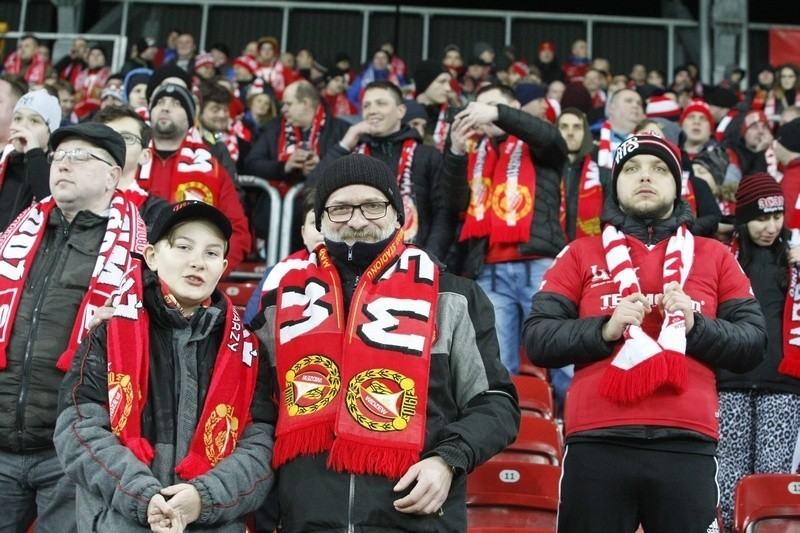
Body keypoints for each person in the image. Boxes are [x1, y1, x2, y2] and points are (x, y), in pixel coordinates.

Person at [250, 153, 519, 531]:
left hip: (416, 520)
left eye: (373, 206)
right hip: (307, 521)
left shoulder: (454, 298)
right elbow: (258, 417)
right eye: (340, 208)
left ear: (397, 214)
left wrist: (447, 460)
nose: (357, 220)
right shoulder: (283, 306)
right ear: (321, 219)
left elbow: (496, 404)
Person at [523, 132, 767, 532]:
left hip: (687, 443)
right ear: (615, 185)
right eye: (632, 169)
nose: (645, 177)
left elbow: (753, 343)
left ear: (678, 185)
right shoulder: (580, 252)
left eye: (658, 169)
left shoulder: (716, 255)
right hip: (596, 442)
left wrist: (695, 324)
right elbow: (538, 339)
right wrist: (606, 328)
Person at [54, 200, 275, 532]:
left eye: (212, 253)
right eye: (184, 247)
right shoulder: (109, 331)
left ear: (224, 265)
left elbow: (261, 445)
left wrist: (204, 497)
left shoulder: (246, 349)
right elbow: (78, 429)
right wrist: (141, 495)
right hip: (120, 522)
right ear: (153, 256)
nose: (198, 262)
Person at [0, 121, 147, 532]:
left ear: (112, 175)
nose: (64, 164)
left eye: (80, 156)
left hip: (71, 451)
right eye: (58, 156)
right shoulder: (18, 232)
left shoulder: (138, 252)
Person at [441, 84, 568, 374]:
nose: (486, 113)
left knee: (562, 357)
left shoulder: (538, 143)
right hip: (489, 272)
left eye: (495, 105)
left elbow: (551, 139)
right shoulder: (477, 151)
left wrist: (498, 113)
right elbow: (453, 202)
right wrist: (456, 152)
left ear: (514, 110)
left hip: (539, 264)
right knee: (497, 366)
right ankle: (507, 419)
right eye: (481, 107)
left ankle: (571, 419)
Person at [716, 172, 800, 532]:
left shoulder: (794, 257)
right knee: (730, 479)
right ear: (742, 218)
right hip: (729, 382)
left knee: (773, 481)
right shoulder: (721, 256)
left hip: (782, 385)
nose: (770, 226)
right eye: (760, 217)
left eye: (776, 217)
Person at [311, 80, 456, 262]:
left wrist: (430, 259)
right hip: (356, 261)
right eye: (366, 105)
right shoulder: (352, 155)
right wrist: (344, 144)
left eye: (381, 103)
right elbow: (311, 194)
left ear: (401, 111)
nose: (372, 110)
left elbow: (443, 212)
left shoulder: (426, 155)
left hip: (414, 261)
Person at [138, 82, 252, 272]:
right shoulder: (130, 161)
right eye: (159, 102)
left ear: (191, 117)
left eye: (176, 103)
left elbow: (237, 232)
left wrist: (207, 271)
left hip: (189, 278)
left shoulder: (214, 169)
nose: (165, 107)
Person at [92, 104, 170, 229]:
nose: (115, 142)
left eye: (127, 137)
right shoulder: (69, 198)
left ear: (145, 155)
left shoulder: (158, 211)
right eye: (107, 136)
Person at [0, 88, 61, 231]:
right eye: (18, 118)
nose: (23, 126)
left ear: (50, 131)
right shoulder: (4, 162)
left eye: (35, 121)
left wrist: (34, 152)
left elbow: (51, 208)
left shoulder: (58, 168)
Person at [597, 88, 645, 169]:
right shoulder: (590, 137)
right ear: (611, 109)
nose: (635, 105)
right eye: (628, 101)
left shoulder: (648, 141)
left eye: (639, 103)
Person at [72, 46, 111, 120]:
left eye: (99, 55)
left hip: (99, 116)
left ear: (104, 59)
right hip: (77, 116)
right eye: (92, 54)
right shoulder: (79, 76)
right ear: (87, 59)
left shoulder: (109, 77)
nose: (95, 57)